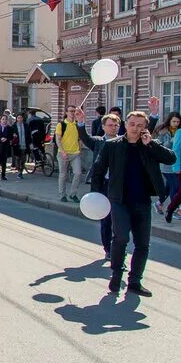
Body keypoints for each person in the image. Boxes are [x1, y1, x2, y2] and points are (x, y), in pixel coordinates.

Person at [91, 111, 176, 297]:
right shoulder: (112, 145)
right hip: (119, 200)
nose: (135, 128)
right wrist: (96, 197)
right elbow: (98, 170)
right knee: (121, 238)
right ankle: (116, 273)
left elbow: (171, 158)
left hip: (142, 200)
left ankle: (135, 281)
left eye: (139, 125)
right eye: (132, 124)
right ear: (125, 124)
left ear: (144, 127)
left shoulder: (149, 145)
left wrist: (151, 144)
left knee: (143, 243)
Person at [76, 110, 123, 257]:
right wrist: (81, 121)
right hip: (103, 185)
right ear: (103, 127)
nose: (113, 128)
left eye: (116, 125)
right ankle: (108, 248)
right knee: (106, 218)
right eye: (110, 125)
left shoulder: (124, 142)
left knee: (120, 218)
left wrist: (154, 116)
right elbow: (84, 137)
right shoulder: (97, 142)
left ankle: (119, 247)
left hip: (119, 185)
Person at [152, 113, 181, 220]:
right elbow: (158, 146)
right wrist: (171, 141)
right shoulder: (163, 131)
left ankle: (159, 203)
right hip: (166, 163)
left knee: (170, 187)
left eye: (178, 122)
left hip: (178, 162)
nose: (176, 124)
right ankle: (174, 209)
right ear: (169, 121)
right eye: (174, 121)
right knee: (176, 186)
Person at [55, 105, 83, 203]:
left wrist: (80, 149)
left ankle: (73, 194)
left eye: (74, 111)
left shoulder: (77, 124)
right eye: (70, 111)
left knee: (78, 173)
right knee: (63, 175)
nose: (72, 113)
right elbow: (58, 139)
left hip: (75, 153)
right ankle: (62, 195)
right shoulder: (61, 124)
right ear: (66, 112)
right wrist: (62, 151)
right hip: (63, 154)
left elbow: (80, 138)